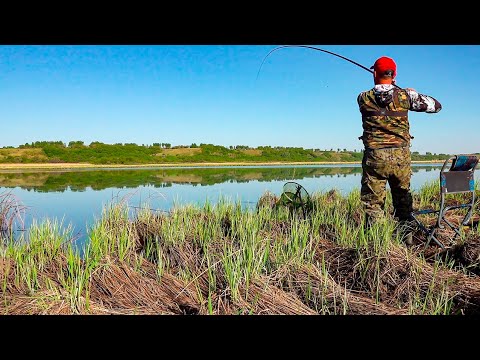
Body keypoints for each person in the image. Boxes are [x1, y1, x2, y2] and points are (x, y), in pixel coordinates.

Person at [357, 56, 442, 244]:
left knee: (373, 204)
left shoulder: (362, 98)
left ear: (374, 74)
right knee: (403, 201)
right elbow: (436, 106)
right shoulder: (406, 96)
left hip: (375, 159)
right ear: (394, 75)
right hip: (400, 158)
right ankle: (407, 242)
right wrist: (411, 92)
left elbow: (382, 96)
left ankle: (378, 245)